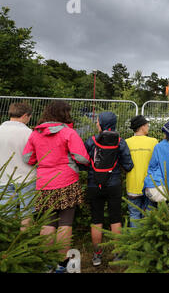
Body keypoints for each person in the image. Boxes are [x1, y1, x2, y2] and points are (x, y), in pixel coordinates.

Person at [22, 100, 90, 273]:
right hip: (67, 181)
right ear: (65, 113)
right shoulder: (69, 132)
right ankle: (62, 263)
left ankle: (47, 263)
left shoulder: (35, 133)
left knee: (48, 223)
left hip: (44, 183)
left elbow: (27, 158)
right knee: (65, 223)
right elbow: (82, 157)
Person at [83, 112, 134, 266]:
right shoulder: (120, 142)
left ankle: (97, 256)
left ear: (102, 124)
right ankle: (118, 254)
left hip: (94, 184)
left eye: (98, 121)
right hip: (114, 185)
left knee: (96, 220)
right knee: (115, 219)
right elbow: (129, 165)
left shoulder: (91, 141)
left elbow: (83, 161)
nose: (97, 124)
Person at [0, 103, 35, 230]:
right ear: (25, 115)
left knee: (5, 214)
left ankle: (7, 243)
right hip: (27, 177)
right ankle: (26, 241)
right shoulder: (28, 133)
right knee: (27, 213)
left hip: (3, 178)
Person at [125, 115, 158, 228]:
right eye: (146, 125)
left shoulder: (126, 142)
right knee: (149, 213)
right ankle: (147, 242)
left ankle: (135, 242)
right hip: (150, 184)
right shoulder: (153, 142)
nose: (148, 127)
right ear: (142, 127)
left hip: (132, 185)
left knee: (134, 214)